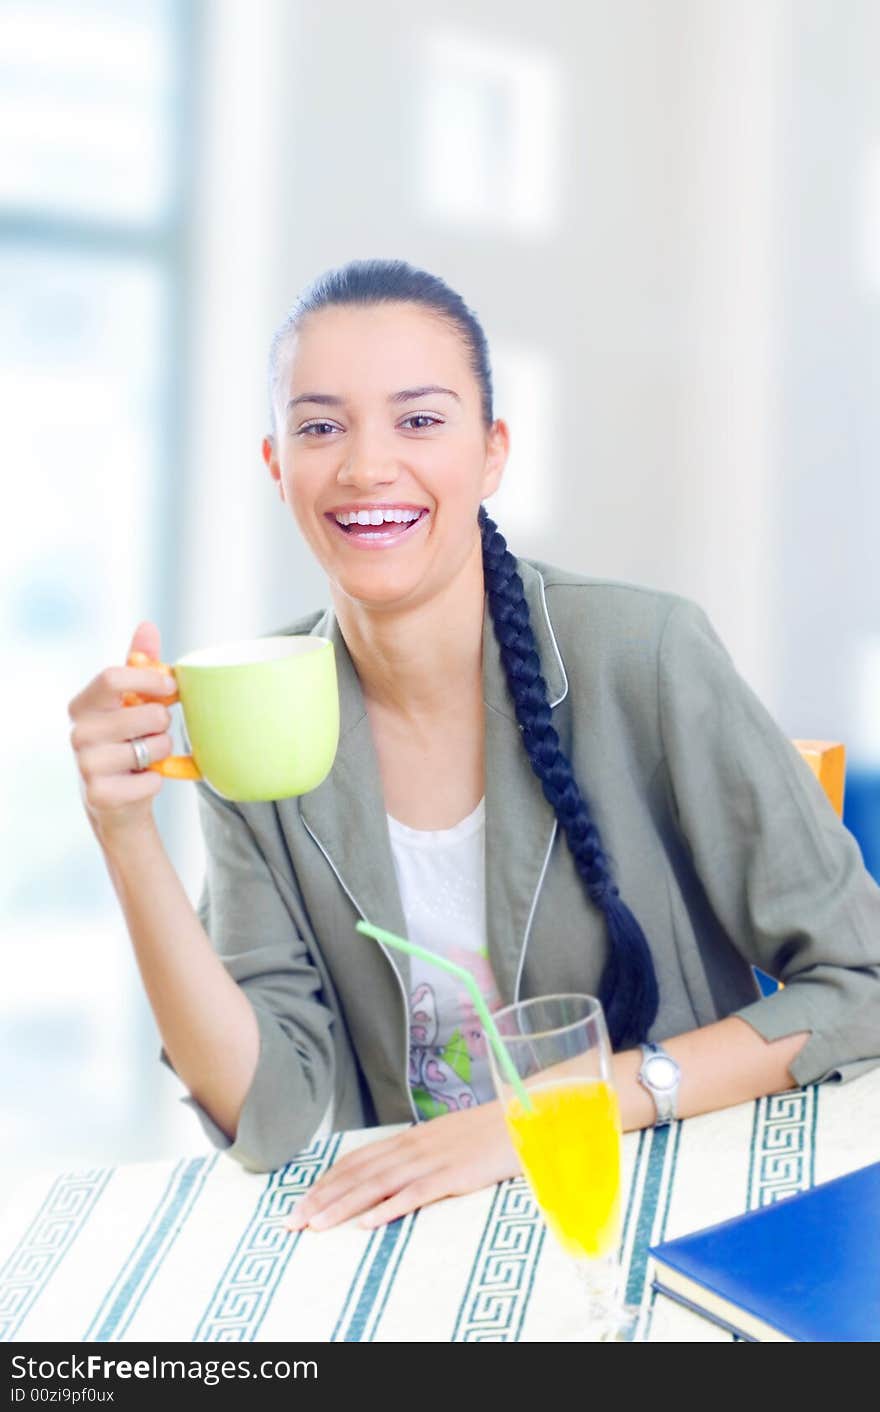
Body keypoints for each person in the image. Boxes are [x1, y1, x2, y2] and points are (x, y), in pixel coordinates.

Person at [68, 258, 880, 1235]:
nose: (367, 464)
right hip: (432, 1241)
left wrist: (543, 1114)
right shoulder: (255, 705)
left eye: (419, 419)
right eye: (320, 425)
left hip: (679, 1208)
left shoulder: (644, 651)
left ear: (492, 452)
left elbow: (862, 984)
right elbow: (268, 1115)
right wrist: (124, 831)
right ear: (276, 463)